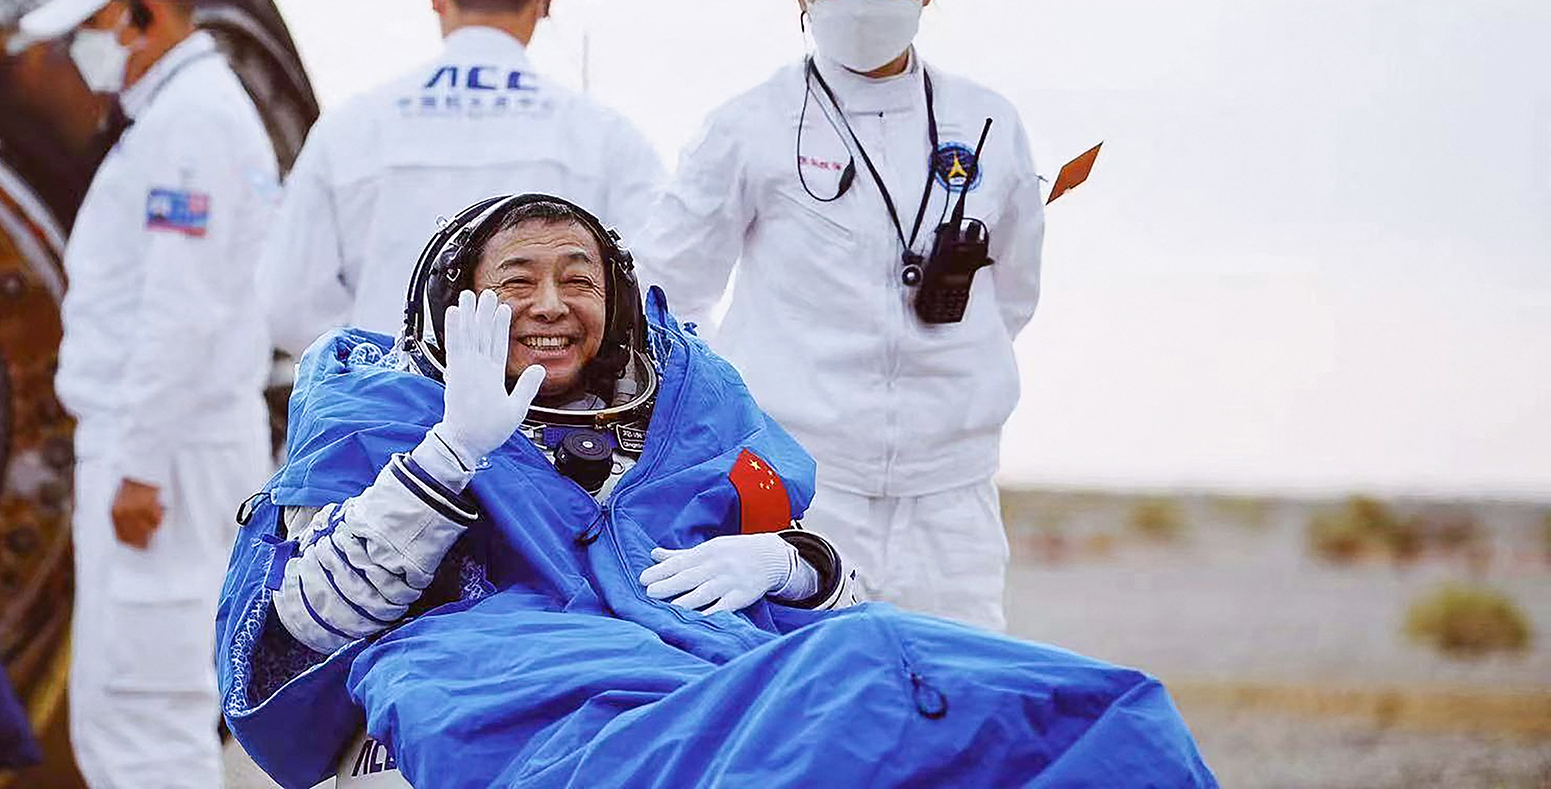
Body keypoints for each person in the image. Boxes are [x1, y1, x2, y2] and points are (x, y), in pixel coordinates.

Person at [216, 194, 1213, 789]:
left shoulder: (686, 418)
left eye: (578, 277)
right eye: (516, 280)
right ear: (458, 302)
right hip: (514, 708)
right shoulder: (383, 415)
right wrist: (448, 453)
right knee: (860, 677)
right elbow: (301, 622)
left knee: (1036, 700)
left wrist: (792, 560)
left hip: (724, 684)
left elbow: (836, 600)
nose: (553, 302)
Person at [633, 0, 1045, 631]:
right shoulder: (748, 124)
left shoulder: (990, 125)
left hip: (951, 498)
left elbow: (1013, 294)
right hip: (798, 485)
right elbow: (665, 292)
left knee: (952, 707)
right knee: (806, 711)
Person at [16, 0, 281, 788]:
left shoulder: (192, 121)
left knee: (145, 708)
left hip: (167, 451)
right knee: (128, 705)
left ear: (143, 14)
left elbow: (182, 307)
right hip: (175, 439)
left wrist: (139, 465)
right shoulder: (184, 113)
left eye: (91, 26)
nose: (82, 51)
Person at [255, 0, 664, 374]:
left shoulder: (354, 126)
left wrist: (387, 360)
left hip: (389, 419)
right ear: (545, 3)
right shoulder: (603, 136)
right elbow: (657, 291)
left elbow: (285, 303)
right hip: (551, 432)